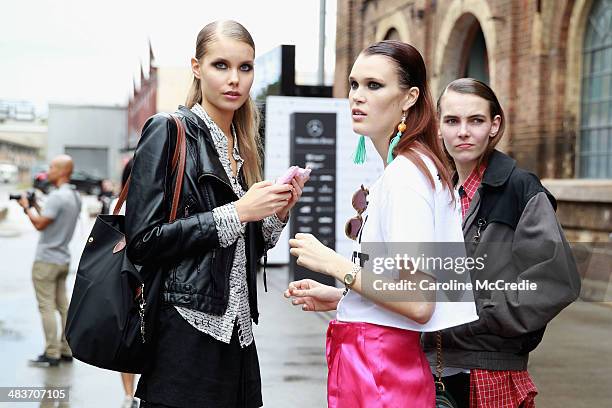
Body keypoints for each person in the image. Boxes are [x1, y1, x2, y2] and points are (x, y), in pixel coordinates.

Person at [284, 40, 478, 407]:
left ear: (409, 98)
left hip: (380, 371)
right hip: (376, 364)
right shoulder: (408, 169)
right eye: (354, 84)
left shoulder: (407, 175)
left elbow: (420, 301)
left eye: (374, 85)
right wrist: (343, 296)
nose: (357, 96)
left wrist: (336, 266)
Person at [125, 20, 307, 408]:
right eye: (220, 65)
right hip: (186, 332)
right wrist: (238, 211)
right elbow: (143, 241)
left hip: (239, 338)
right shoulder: (169, 130)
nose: (234, 80)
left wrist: (275, 213)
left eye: (245, 67)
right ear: (196, 67)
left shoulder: (239, 145)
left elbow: (241, 254)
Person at [421, 78, 581, 408]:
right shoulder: (437, 193)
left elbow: (556, 280)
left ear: (494, 126)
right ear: (439, 127)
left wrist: (483, 317)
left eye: (476, 120)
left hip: (489, 372)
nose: (463, 132)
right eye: (452, 121)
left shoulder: (520, 188)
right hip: (431, 368)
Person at [18, 154, 82, 367]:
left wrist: (27, 207)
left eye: (53, 167)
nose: (49, 170)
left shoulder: (56, 197)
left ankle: (51, 353)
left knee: (46, 306)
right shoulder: (74, 196)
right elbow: (50, 219)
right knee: (62, 306)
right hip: (63, 258)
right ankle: (65, 349)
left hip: (46, 260)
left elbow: (40, 225)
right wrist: (36, 206)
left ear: (63, 171)